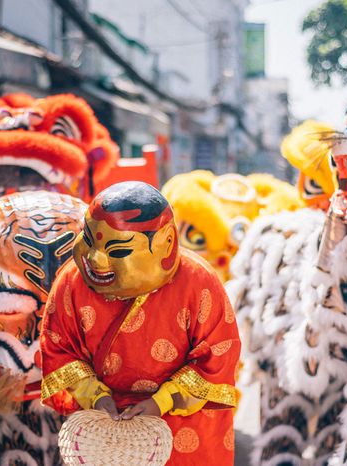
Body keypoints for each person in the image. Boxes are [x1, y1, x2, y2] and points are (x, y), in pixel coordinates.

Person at [40, 181, 240, 465]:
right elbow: (59, 348)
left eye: (118, 251)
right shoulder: (72, 282)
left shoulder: (198, 283)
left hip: (183, 421)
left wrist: (162, 402)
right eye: (89, 240)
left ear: (166, 244)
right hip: (105, 426)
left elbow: (218, 356)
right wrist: (96, 397)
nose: (96, 260)